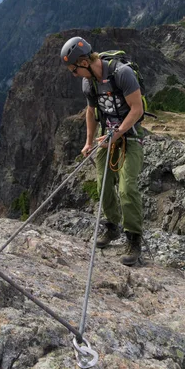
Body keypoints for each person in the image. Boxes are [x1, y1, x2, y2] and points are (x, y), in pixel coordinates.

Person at [61, 36, 144, 266]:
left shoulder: (122, 73)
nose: (74, 74)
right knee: (103, 183)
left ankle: (134, 238)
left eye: (74, 69)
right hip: (108, 138)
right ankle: (111, 226)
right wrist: (88, 142)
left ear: (85, 62)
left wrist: (117, 133)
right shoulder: (89, 83)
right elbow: (91, 112)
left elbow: (137, 109)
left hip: (131, 137)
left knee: (127, 188)